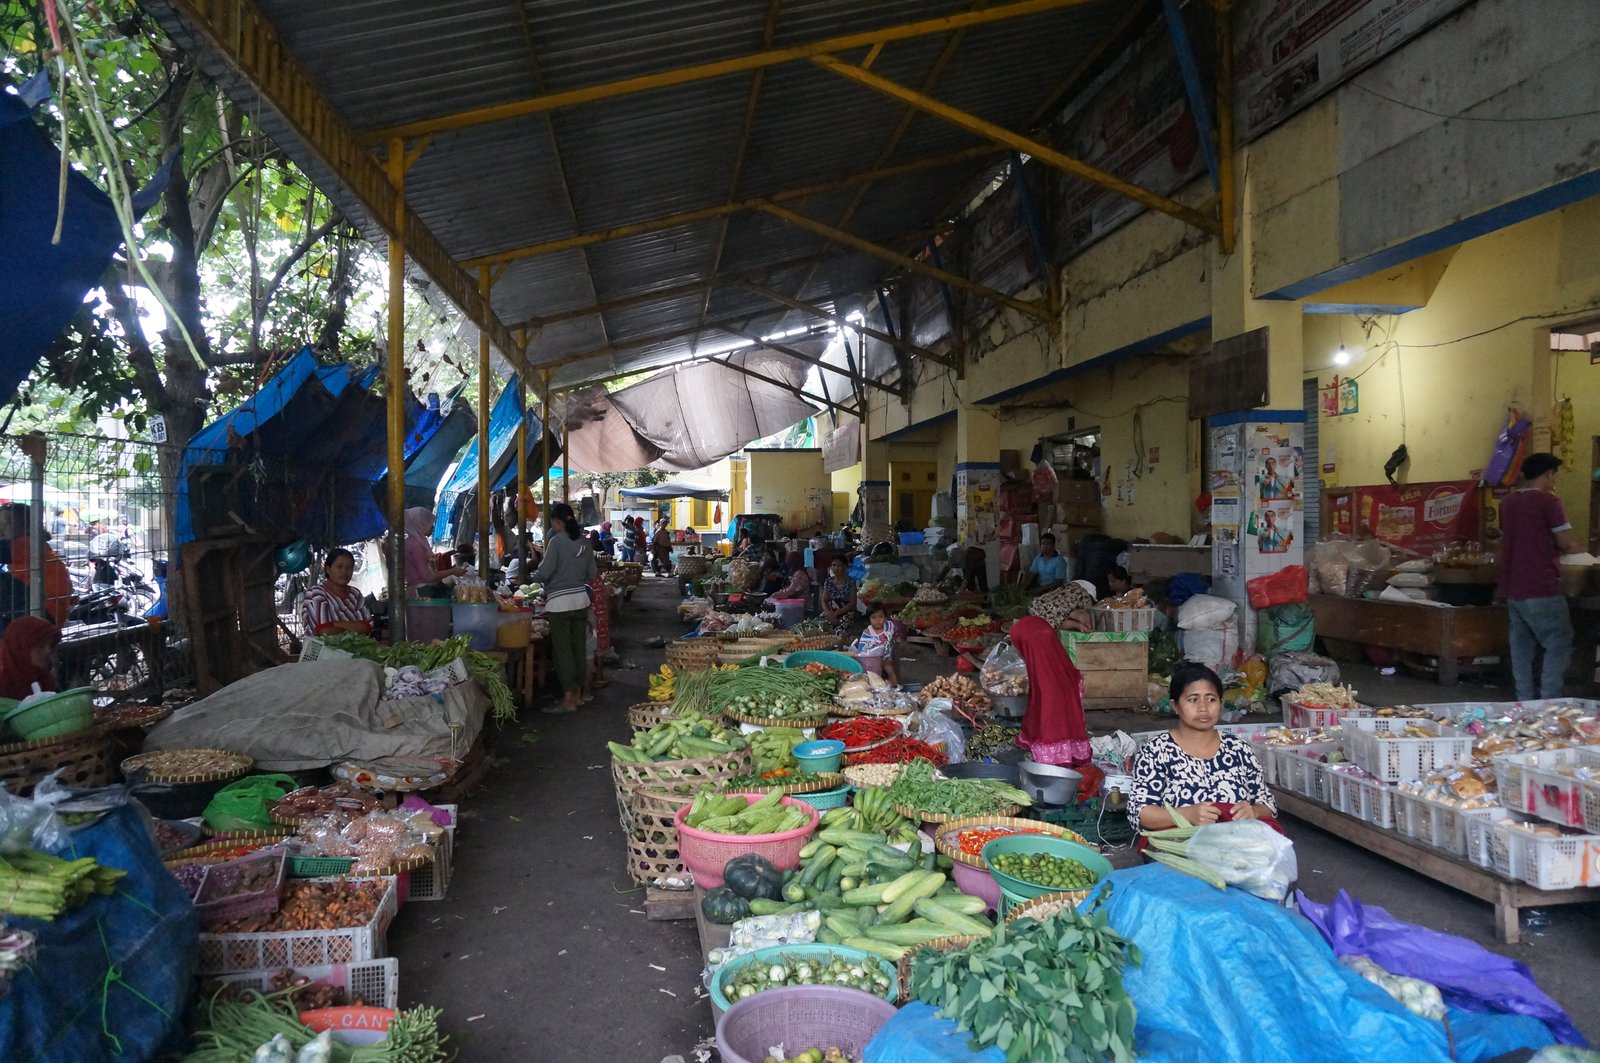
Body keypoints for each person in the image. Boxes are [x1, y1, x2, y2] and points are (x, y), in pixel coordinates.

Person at [1129, 662, 1279, 832]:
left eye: (1211, 699)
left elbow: (1267, 804)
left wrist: (1254, 811)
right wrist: (1187, 815)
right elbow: (1140, 813)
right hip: (1181, 850)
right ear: (1175, 706)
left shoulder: (1239, 749)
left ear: (1220, 703)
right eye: (1193, 700)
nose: (1203, 708)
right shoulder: (1155, 752)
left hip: (1237, 846)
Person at [1496, 452, 1580, 700]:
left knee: (1521, 645)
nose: (1554, 480)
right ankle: (1549, 700)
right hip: (1541, 585)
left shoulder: (1507, 503)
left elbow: (1506, 541)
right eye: (1554, 475)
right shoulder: (1549, 502)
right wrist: (1584, 551)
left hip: (1513, 586)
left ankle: (1524, 700)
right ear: (1548, 474)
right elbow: (1564, 543)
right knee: (1558, 642)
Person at [533, 502, 597, 714]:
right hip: (581, 601)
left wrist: (534, 576)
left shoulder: (556, 541)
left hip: (559, 604)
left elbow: (545, 571)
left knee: (563, 652)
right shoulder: (585, 543)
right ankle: (577, 696)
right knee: (578, 648)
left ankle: (568, 699)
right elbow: (592, 575)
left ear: (556, 522)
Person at [1012, 615, 1091, 767]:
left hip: (1054, 752)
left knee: (1050, 721)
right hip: (1063, 694)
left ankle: (1060, 759)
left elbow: (1048, 724)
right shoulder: (1053, 656)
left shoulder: (1045, 676)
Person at [6, 505, 72, 625]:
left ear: (25, 525)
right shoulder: (36, 543)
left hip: (45, 612)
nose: (3, 527)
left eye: (8, 522)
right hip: (52, 612)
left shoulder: (24, 545)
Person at [299, 548, 373, 636]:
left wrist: (336, 624)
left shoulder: (355, 594)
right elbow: (325, 632)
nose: (344, 571)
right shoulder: (316, 593)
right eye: (339, 566)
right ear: (328, 569)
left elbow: (367, 627)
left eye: (349, 567)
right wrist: (354, 626)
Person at [403, 507, 464, 596]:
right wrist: (452, 571)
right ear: (420, 524)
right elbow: (427, 577)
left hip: (417, 591)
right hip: (422, 593)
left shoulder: (412, 542)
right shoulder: (417, 546)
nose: (433, 527)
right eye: (430, 524)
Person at [0, 615, 60, 700]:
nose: (48, 651)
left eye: (51, 645)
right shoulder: (4, 687)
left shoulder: (45, 679)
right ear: (19, 648)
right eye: (40, 646)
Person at [852, 604, 900, 684]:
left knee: (889, 668)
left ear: (885, 617)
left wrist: (898, 637)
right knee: (880, 672)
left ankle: (894, 684)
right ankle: (884, 684)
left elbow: (897, 632)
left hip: (888, 655)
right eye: (873, 617)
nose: (877, 620)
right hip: (874, 659)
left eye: (880, 617)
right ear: (869, 619)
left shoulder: (889, 626)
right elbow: (862, 651)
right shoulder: (867, 633)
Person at [820, 556, 859, 632]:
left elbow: (852, 603)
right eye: (833, 565)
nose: (836, 568)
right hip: (831, 611)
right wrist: (829, 614)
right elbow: (824, 600)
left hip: (846, 612)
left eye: (839, 565)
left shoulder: (850, 582)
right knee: (820, 627)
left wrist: (835, 614)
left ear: (845, 567)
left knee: (841, 629)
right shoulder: (828, 581)